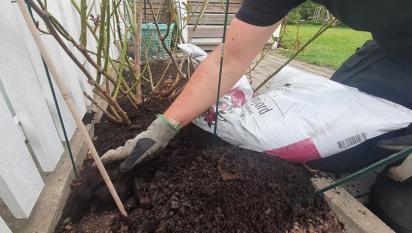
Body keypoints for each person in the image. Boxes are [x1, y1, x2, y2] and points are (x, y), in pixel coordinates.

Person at [101, 1, 412, 231]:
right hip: (391, 49)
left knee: (385, 152)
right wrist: (162, 127)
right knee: (337, 146)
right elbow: (231, 57)